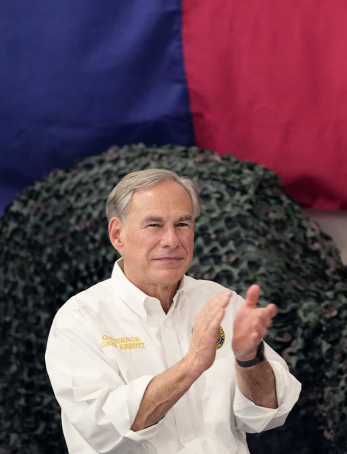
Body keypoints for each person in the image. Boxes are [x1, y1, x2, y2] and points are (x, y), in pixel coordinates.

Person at [45, 169, 301, 453]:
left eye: (182, 223)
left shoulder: (221, 301)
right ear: (118, 234)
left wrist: (249, 359)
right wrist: (191, 365)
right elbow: (105, 431)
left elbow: (267, 415)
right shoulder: (79, 320)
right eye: (154, 225)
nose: (172, 240)